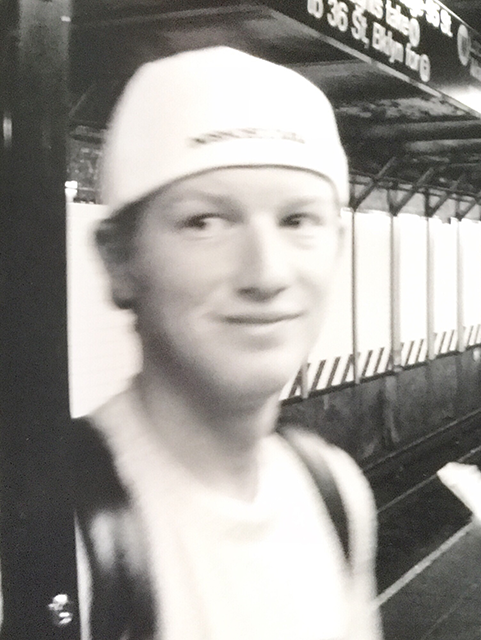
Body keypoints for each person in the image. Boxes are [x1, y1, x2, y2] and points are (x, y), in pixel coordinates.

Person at [74, 46, 381, 640]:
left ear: (339, 247)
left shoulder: (335, 494)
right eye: (205, 222)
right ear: (118, 261)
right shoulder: (54, 538)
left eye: (298, 221)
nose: (266, 274)